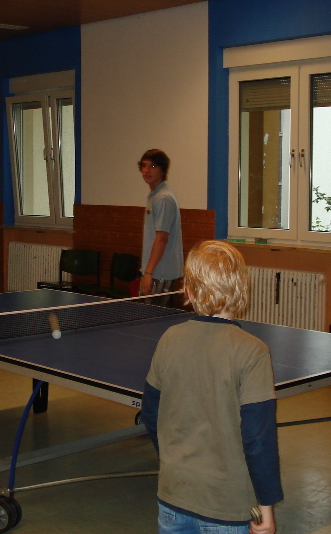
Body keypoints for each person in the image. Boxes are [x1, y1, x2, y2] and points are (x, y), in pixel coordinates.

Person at [141, 240, 282, 534]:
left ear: (189, 291)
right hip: (227, 507)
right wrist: (266, 508)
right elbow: (259, 439)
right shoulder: (252, 351)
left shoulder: (169, 339)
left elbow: (151, 413)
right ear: (242, 288)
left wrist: (173, 461)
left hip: (173, 496)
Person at [137, 149, 183, 301]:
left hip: (160, 272)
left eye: (153, 166)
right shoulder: (155, 195)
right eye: (144, 165)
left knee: (152, 314)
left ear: (163, 170)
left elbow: (162, 238)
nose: (147, 170)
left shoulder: (162, 198)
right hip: (155, 270)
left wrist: (148, 273)